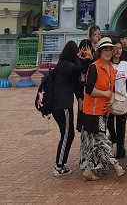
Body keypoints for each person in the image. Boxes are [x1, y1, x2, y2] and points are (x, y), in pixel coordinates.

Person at [79, 37, 125, 181]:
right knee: (103, 140)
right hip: (92, 112)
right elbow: (89, 89)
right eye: (105, 49)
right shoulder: (95, 67)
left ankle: (88, 170)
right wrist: (104, 94)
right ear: (99, 51)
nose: (108, 52)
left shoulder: (111, 68)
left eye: (110, 49)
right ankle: (116, 164)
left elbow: (111, 90)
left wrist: (110, 100)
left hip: (103, 111)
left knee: (93, 142)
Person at [51, 40, 82, 176]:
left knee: (67, 134)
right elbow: (78, 70)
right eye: (75, 52)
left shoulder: (62, 65)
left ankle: (61, 164)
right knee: (67, 134)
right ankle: (59, 165)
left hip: (60, 105)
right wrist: (79, 58)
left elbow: (75, 82)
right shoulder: (66, 65)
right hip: (62, 105)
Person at [107, 39, 127, 160]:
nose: (118, 51)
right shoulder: (108, 64)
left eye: (120, 48)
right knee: (110, 126)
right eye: (115, 48)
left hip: (122, 99)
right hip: (109, 99)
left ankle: (120, 149)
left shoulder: (125, 64)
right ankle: (110, 148)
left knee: (121, 126)